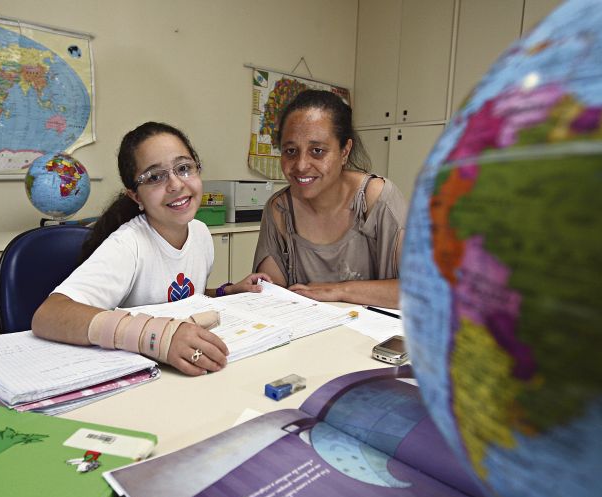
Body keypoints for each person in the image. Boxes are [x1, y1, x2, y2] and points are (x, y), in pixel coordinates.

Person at [32, 122, 269, 376]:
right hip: (137, 375)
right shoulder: (128, 245)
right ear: (136, 196)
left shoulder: (200, 232)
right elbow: (48, 315)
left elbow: (175, 296)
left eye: (184, 168)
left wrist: (225, 291)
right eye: (155, 177)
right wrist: (157, 336)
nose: (176, 184)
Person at [253, 90, 407, 308]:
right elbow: (270, 294)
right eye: (291, 151)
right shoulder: (279, 209)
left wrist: (337, 290)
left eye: (317, 151)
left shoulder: (377, 199)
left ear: (345, 151)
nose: (301, 165)